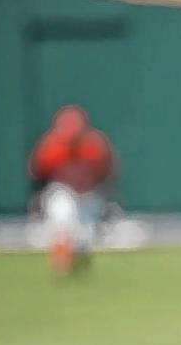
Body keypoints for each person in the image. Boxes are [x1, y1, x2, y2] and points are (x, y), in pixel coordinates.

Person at [27, 105, 118, 275]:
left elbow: (108, 172)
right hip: (62, 190)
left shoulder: (94, 146)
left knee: (85, 236)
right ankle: (61, 266)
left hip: (89, 192)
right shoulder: (51, 147)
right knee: (61, 222)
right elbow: (38, 174)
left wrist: (108, 198)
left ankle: (80, 263)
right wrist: (37, 200)